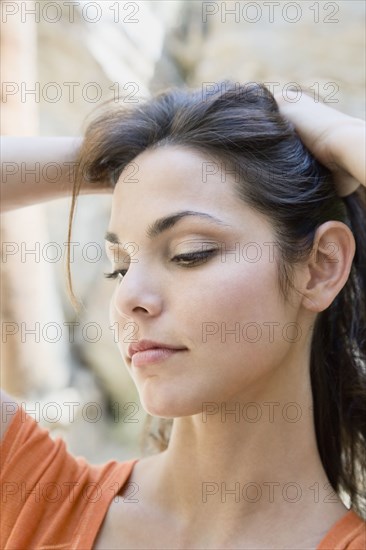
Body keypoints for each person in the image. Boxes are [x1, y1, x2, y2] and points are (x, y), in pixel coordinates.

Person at [1, 82, 365, 549]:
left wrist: (337, 133)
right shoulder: (38, 502)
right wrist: (120, 158)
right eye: (120, 264)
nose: (129, 296)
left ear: (320, 267)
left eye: (190, 253)